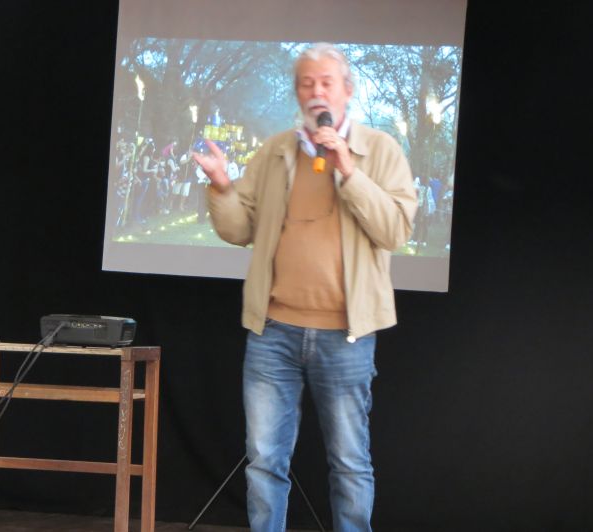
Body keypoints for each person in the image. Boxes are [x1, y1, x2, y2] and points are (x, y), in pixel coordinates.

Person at [193, 43, 417, 532]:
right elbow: (238, 229)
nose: (316, 91)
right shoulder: (276, 151)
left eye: (326, 82)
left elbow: (395, 231)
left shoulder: (380, 150)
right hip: (273, 332)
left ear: (347, 91)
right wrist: (222, 186)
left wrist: (348, 169)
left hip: (346, 335)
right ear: (297, 93)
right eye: (306, 83)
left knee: (350, 462)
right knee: (263, 460)